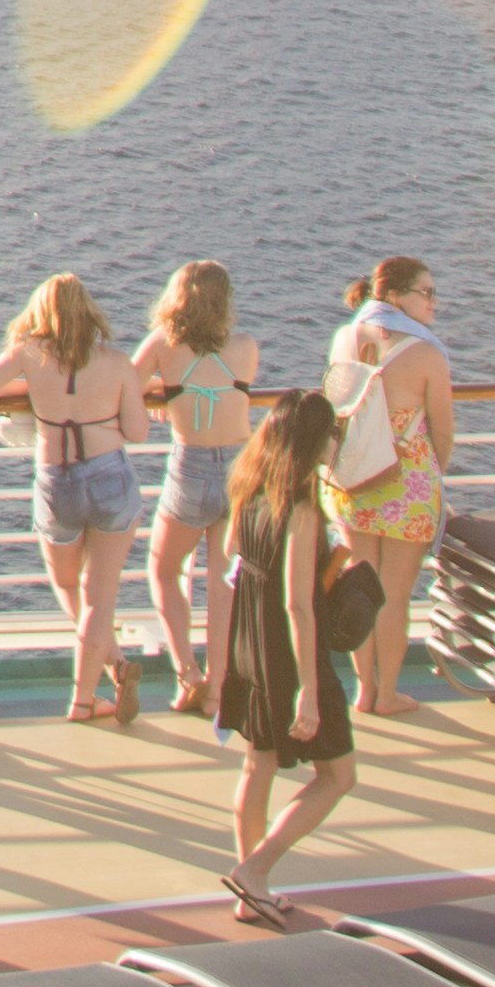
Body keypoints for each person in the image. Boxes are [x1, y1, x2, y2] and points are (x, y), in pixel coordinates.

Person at [0, 271, 147, 727]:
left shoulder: (30, 355)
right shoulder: (117, 362)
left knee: (67, 586)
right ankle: (89, 692)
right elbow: (138, 431)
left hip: (56, 481)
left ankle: (111, 671)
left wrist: (29, 386)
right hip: (110, 477)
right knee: (100, 598)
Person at [213, 393, 355, 929]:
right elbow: (298, 603)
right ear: (312, 444)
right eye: (331, 433)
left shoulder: (247, 490)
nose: (336, 442)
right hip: (288, 653)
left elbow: (233, 553)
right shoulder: (299, 511)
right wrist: (310, 690)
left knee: (259, 763)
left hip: (247, 643)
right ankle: (256, 869)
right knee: (338, 775)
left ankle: (252, 889)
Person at [324, 257, 461, 717]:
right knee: (394, 595)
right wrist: (433, 477)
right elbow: (442, 431)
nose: (434, 302)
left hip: (353, 478)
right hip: (407, 485)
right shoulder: (426, 354)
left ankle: (362, 691)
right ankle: (387, 695)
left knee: (358, 587)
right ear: (397, 295)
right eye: (427, 292)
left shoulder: (345, 337)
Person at [137, 263, 260, 722]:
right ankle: (219, 688)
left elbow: (122, 387)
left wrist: (164, 391)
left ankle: (187, 672)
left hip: (191, 468)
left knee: (164, 569)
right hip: (240, 468)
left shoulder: (163, 347)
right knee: (224, 582)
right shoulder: (246, 347)